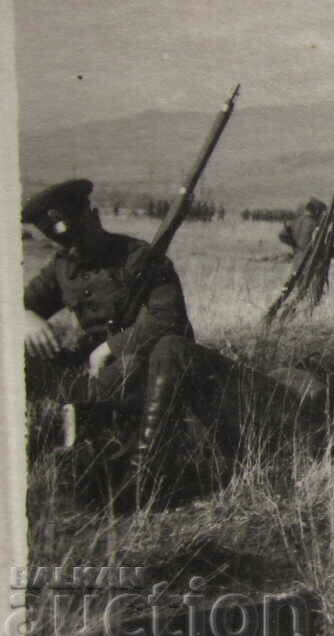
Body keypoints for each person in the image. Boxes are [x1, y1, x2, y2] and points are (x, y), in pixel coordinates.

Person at [21, 180, 313, 510]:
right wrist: (24, 317)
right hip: (93, 374)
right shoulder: (64, 266)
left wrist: (112, 347)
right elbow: (19, 303)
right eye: (65, 242)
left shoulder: (138, 257)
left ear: (94, 216)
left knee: (156, 357)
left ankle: (143, 476)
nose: (74, 249)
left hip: (143, 371)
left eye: (78, 235)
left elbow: (169, 320)